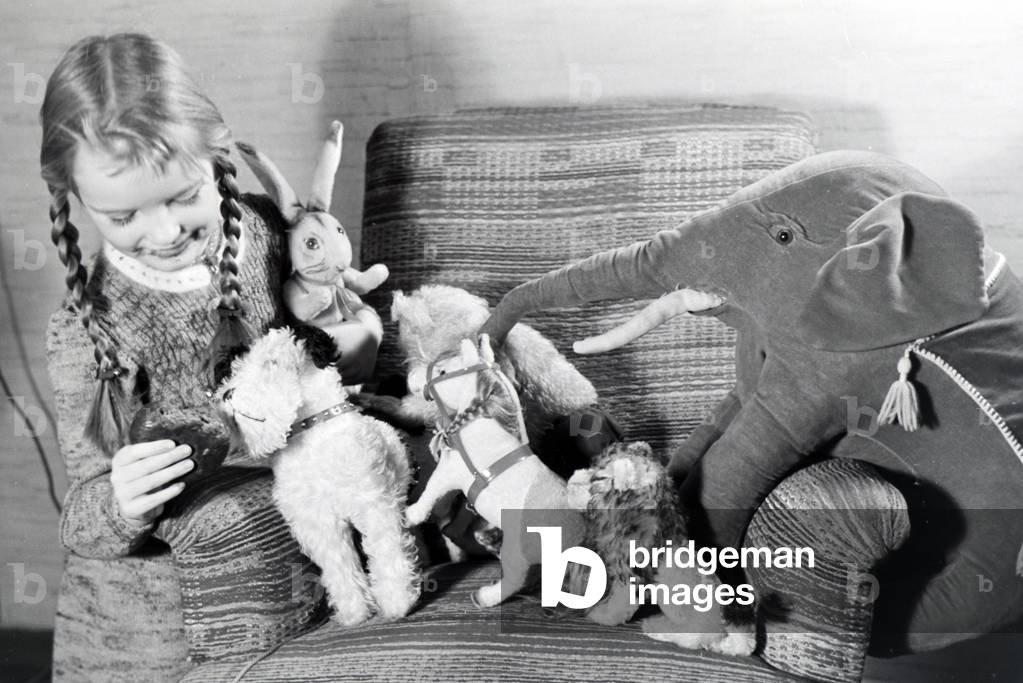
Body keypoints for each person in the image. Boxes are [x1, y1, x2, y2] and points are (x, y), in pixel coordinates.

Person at [41, 33, 297, 681]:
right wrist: (121, 502)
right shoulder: (83, 330)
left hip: (288, 571)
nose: (164, 233)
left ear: (215, 157)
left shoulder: (265, 233)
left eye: (183, 197)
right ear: (75, 198)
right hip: (150, 628)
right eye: (122, 216)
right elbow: (82, 519)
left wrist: (352, 344)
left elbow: (320, 344)